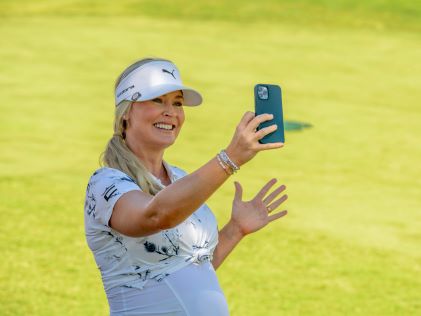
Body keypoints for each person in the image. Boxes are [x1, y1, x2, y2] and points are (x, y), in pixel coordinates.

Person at [84, 57, 288, 315]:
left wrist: (235, 229)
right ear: (126, 113)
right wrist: (231, 158)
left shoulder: (180, 179)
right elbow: (156, 215)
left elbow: (193, 266)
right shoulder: (105, 184)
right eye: (157, 100)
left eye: (177, 103)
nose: (171, 112)